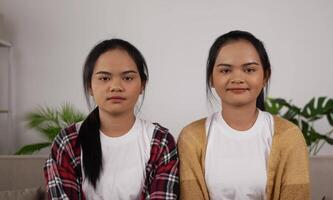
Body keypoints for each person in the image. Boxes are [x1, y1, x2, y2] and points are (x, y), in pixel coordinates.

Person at [178, 30, 310, 200]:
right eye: (225, 71)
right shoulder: (191, 137)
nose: (237, 78)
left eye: (249, 70)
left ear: (265, 76)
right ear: (211, 78)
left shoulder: (289, 136)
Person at [44, 38, 179, 200]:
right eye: (104, 78)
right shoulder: (68, 141)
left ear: (142, 85)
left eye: (127, 78)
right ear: (90, 86)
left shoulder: (160, 141)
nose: (116, 86)